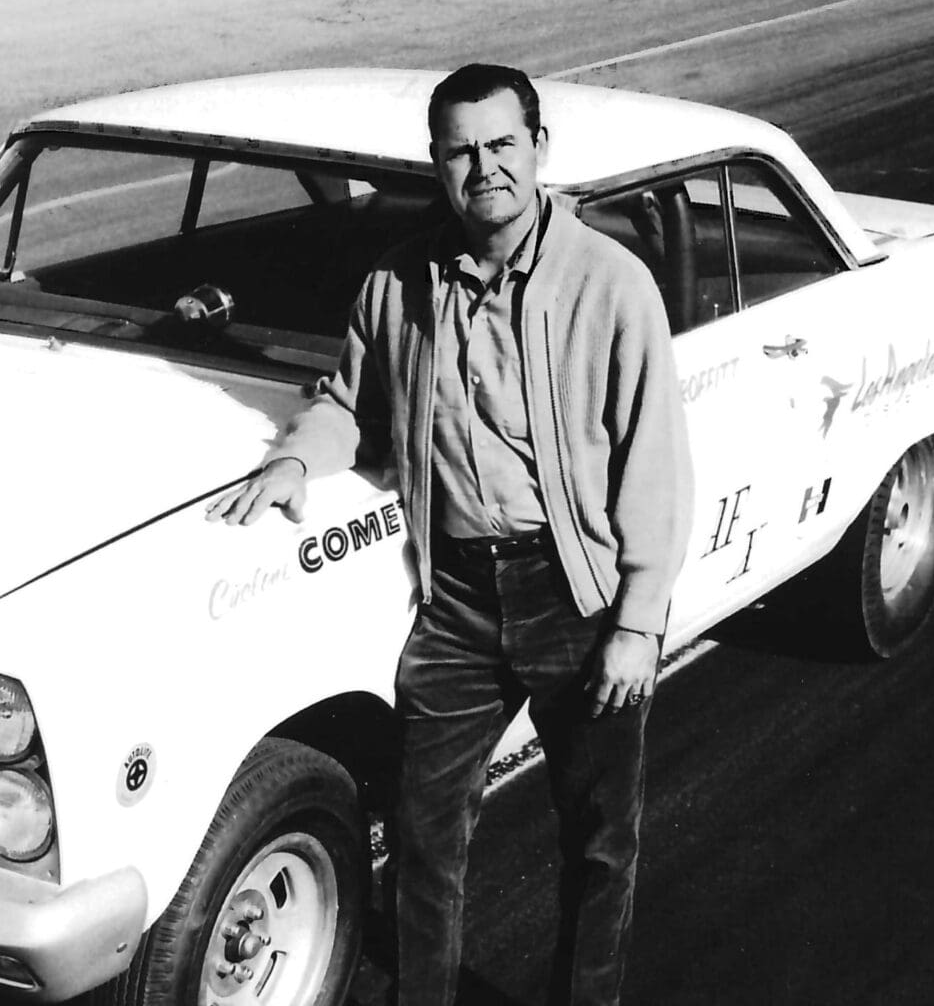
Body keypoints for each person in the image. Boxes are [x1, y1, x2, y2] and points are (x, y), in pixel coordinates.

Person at [208, 63, 694, 1006]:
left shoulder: (611, 284)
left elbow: (656, 463)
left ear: (540, 149)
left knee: (599, 843)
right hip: (459, 605)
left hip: (577, 599)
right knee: (426, 842)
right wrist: (298, 460)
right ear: (437, 165)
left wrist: (638, 621)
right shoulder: (400, 280)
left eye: (502, 144)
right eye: (461, 151)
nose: (485, 168)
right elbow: (351, 400)